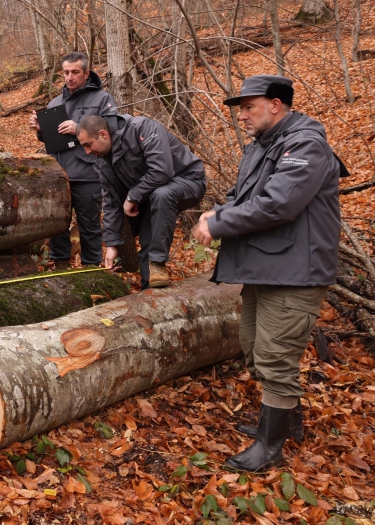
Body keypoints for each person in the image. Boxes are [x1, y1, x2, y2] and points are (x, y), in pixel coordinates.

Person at [192, 75, 345, 471]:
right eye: (240, 108)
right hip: (266, 266)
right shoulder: (261, 147)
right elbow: (242, 196)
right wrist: (220, 211)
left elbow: (278, 204)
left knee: (276, 357)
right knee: (253, 348)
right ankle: (288, 421)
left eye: (248, 106)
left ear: (275, 105)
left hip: (296, 271)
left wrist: (220, 222)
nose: (241, 115)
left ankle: (269, 444)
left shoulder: (305, 145)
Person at [76, 114, 206, 289]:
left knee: (162, 194)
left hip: (188, 180)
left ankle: (158, 263)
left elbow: (162, 171)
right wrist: (112, 244)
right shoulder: (102, 161)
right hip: (150, 196)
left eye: (88, 145)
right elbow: (111, 201)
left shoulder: (142, 128)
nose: (87, 152)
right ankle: (150, 293)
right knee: (147, 245)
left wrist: (132, 197)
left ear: (103, 134)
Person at [29, 52, 117, 269]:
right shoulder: (55, 102)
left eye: (75, 72)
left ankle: (91, 269)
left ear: (86, 73)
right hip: (59, 175)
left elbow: (113, 130)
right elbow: (52, 139)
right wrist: (40, 130)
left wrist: (78, 129)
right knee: (58, 226)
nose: (69, 77)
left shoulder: (102, 99)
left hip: (89, 174)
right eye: (66, 72)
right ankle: (59, 267)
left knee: (89, 226)